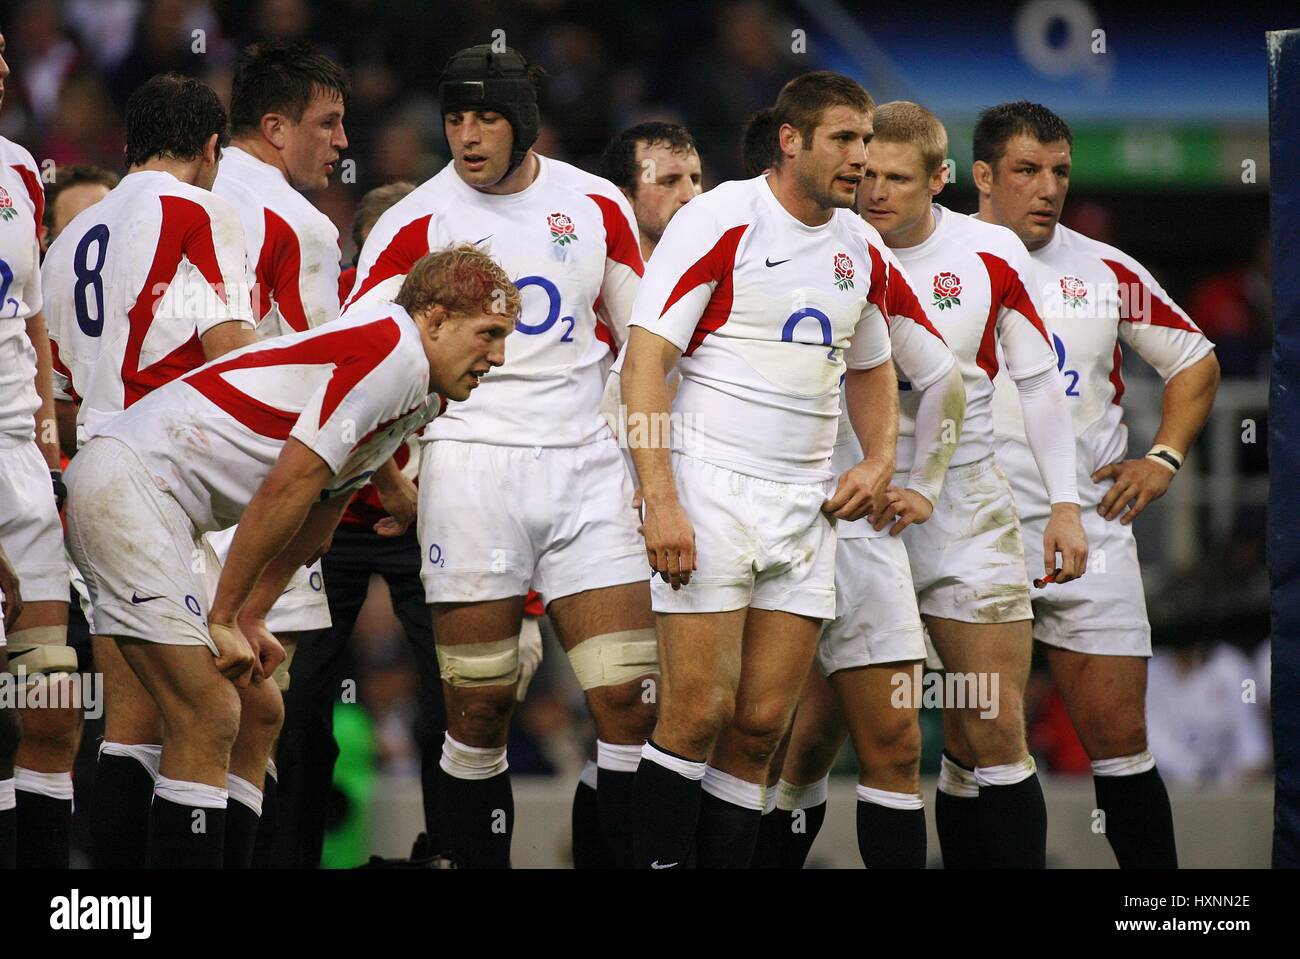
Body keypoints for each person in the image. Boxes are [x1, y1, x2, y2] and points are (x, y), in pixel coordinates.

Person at [64, 244, 518, 868]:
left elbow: (323, 506)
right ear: (434, 320)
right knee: (209, 710)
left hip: (164, 506)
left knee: (257, 711)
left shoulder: (422, 389)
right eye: (489, 334)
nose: (499, 356)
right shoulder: (392, 354)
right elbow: (288, 484)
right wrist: (224, 616)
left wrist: (250, 615)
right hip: (134, 485)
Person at [344, 44, 653, 869]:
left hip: (588, 467)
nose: (468, 135)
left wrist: (654, 464)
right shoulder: (419, 218)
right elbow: (361, 350)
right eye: (454, 117)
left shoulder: (595, 204)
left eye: (486, 117)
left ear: (524, 123)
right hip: (473, 465)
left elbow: (648, 340)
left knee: (628, 701)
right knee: (478, 714)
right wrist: (389, 468)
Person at [623, 70, 901, 869]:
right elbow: (644, 365)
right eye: (845, 139)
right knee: (695, 715)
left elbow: (873, 366)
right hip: (711, 489)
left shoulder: (862, 246)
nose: (862, 158)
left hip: (808, 504)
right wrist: (660, 500)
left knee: (760, 729)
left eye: (867, 139)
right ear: (792, 140)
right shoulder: (719, 219)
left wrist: (880, 457)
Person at [979, 100, 1220, 868]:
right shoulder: (931, 258)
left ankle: (1165, 914)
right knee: (977, 740)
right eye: (1026, 170)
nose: (1046, 187)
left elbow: (1196, 361)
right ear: (983, 176)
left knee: (1120, 742)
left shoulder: (1105, 269)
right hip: (971, 531)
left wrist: (1165, 458)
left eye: (1059, 172)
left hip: (1089, 528)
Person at [44, 73, 259, 868]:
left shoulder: (69, 237)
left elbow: (59, 396)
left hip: (92, 475)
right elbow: (235, 357)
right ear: (210, 149)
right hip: (171, 478)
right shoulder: (203, 209)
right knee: (223, 712)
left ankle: (114, 904)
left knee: (131, 721)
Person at [203, 39, 352, 866]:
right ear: (273, 126)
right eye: (327, 123)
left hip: (164, 481)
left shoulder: (185, 196)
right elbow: (324, 382)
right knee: (265, 721)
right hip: (259, 489)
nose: (340, 141)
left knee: (168, 725)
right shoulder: (300, 225)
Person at [272, 178, 449, 869]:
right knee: (302, 697)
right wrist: (386, 478)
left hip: (430, 513)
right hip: (342, 508)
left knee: (453, 694)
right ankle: (295, 856)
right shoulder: (332, 300)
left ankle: (449, 850)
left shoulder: (458, 310)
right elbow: (336, 408)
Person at [0, 25, 77, 870]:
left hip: (20, 456)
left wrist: (49, 456)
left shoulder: (21, 169)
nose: (2, 67)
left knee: (51, 705)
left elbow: (29, 321)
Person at [599, 122, 703, 262]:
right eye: (669, 182)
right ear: (623, 199)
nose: (691, 196)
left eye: (695, 179)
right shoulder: (589, 279)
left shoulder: (729, 276)